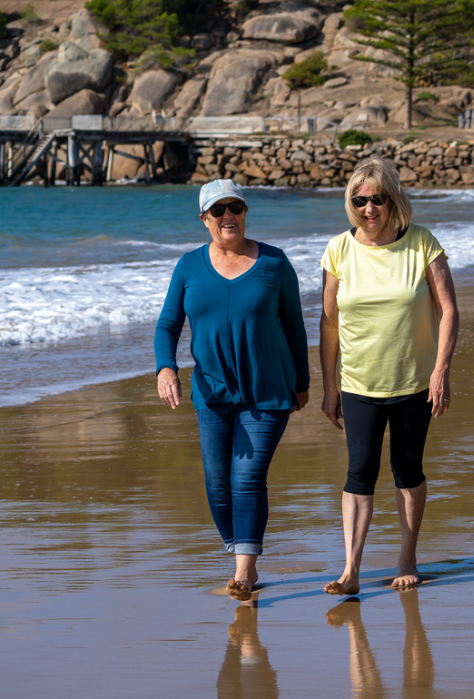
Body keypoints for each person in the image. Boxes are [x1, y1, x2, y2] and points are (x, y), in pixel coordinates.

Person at [154, 179, 310, 601]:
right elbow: (168, 324)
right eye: (219, 210)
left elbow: (294, 325)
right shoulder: (188, 266)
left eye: (235, 208)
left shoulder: (275, 263)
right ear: (204, 219)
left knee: (247, 478)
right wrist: (165, 368)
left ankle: (244, 571)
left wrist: (302, 382)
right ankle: (240, 547)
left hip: (267, 390)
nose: (229, 216)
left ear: (244, 213)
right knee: (217, 484)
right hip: (212, 392)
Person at [319, 157, 458, 595]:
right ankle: (351, 570)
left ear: (392, 199)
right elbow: (328, 322)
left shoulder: (422, 244)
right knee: (359, 472)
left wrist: (441, 370)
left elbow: (449, 310)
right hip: (358, 383)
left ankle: (407, 556)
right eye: (359, 201)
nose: (368, 209)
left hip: (413, 382)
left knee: (407, 469)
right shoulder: (339, 249)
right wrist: (329, 385)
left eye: (377, 199)